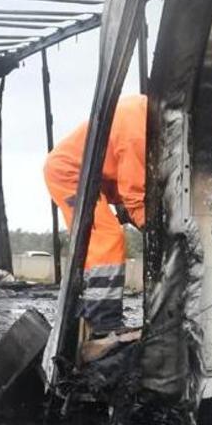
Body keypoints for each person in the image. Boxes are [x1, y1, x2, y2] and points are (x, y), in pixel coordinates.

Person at [42, 93, 146, 334]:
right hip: (70, 173)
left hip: (94, 177)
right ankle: (103, 322)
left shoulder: (141, 112)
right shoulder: (138, 129)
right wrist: (154, 230)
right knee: (107, 237)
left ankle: (87, 314)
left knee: (97, 239)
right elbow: (135, 195)